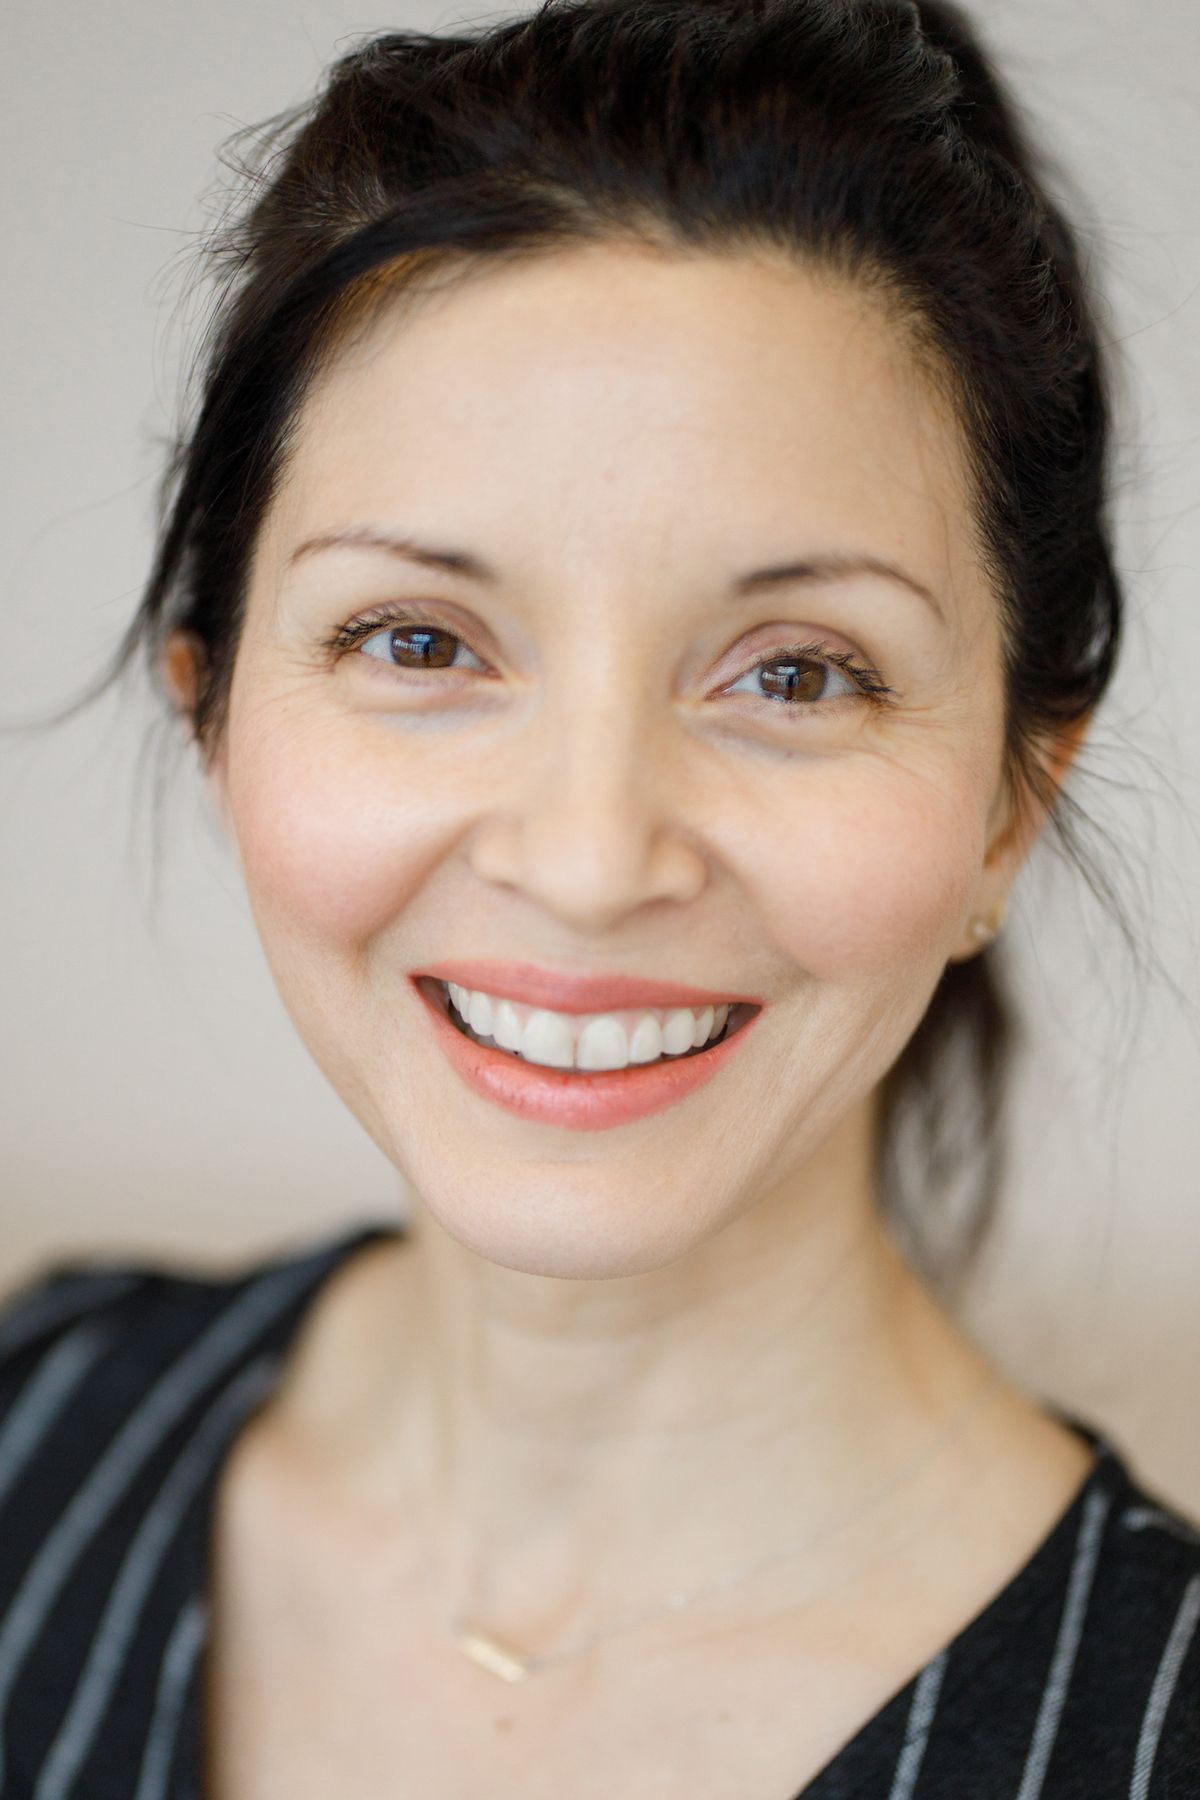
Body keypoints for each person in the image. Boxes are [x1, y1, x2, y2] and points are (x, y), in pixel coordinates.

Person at [1, 0, 1197, 1794]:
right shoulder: (36, 1423)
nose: (587, 856)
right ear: (213, 709)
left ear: (1013, 804)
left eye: (795, 673)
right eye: (421, 642)